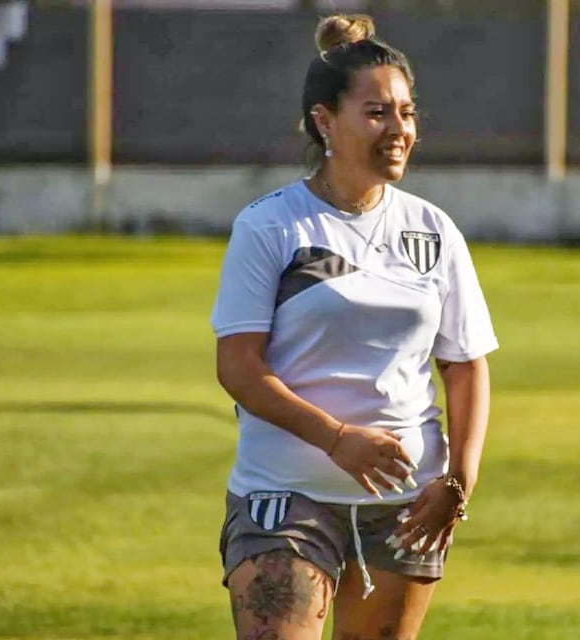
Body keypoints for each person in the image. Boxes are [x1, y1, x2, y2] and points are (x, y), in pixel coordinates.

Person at [211, 14, 498, 640]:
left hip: (407, 507)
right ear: (324, 122)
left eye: (407, 112)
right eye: (377, 114)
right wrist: (336, 437)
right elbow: (238, 366)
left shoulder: (434, 230)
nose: (399, 130)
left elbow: (465, 363)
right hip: (286, 496)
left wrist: (458, 478)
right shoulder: (271, 226)